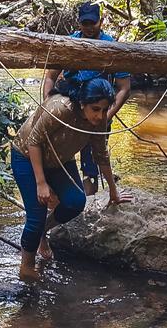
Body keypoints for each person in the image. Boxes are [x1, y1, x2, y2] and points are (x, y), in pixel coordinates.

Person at [10, 77, 131, 280]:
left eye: (104, 109)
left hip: (59, 160)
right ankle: (27, 267)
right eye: (95, 109)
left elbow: (101, 154)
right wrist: (41, 183)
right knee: (36, 215)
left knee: (76, 201)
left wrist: (113, 191)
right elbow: (33, 141)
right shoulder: (60, 108)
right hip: (27, 156)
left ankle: (42, 232)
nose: (100, 115)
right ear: (82, 104)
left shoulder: (99, 122)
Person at [40, 1, 131, 195]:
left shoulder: (112, 48)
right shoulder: (69, 44)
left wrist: (106, 116)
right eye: (85, 23)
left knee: (93, 164)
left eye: (93, 23)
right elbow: (50, 76)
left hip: (96, 116)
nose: (89, 28)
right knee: (55, 159)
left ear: (101, 21)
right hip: (67, 113)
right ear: (79, 23)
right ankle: (59, 205)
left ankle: (88, 204)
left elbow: (124, 88)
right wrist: (47, 104)